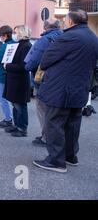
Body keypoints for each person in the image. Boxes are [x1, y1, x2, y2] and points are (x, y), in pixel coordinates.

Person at [33, 9, 98, 173]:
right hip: (80, 88)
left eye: (65, 19)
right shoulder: (92, 37)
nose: (64, 22)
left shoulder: (68, 36)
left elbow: (46, 59)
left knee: (54, 123)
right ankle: (70, 156)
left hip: (61, 88)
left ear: (71, 21)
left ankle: (56, 161)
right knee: (73, 124)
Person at [24, 19, 63, 146]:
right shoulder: (64, 37)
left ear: (45, 27)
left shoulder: (45, 40)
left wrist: (27, 67)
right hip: (58, 79)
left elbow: (34, 60)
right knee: (55, 111)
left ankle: (46, 137)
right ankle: (53, 137)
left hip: (42, 79)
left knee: (43, 109)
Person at [2, 25, 32, 137]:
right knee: (15, 104)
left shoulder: (26, 46)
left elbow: (23, 66)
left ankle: (22, 128)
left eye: (15, 32)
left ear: (21, 33)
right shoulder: (19, 45)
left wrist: (7, 66)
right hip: (14, 79)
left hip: (20, 81)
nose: (14, 35)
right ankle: (16, 125)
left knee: (20, 105)